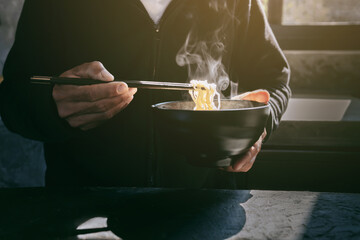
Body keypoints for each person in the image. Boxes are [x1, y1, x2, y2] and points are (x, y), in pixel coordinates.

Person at [0, 0, 290, 188]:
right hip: (83, 204)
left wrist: (256, 126)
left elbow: (274, 82)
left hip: (207, 204)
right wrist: (53, 108)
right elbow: (14, 95)